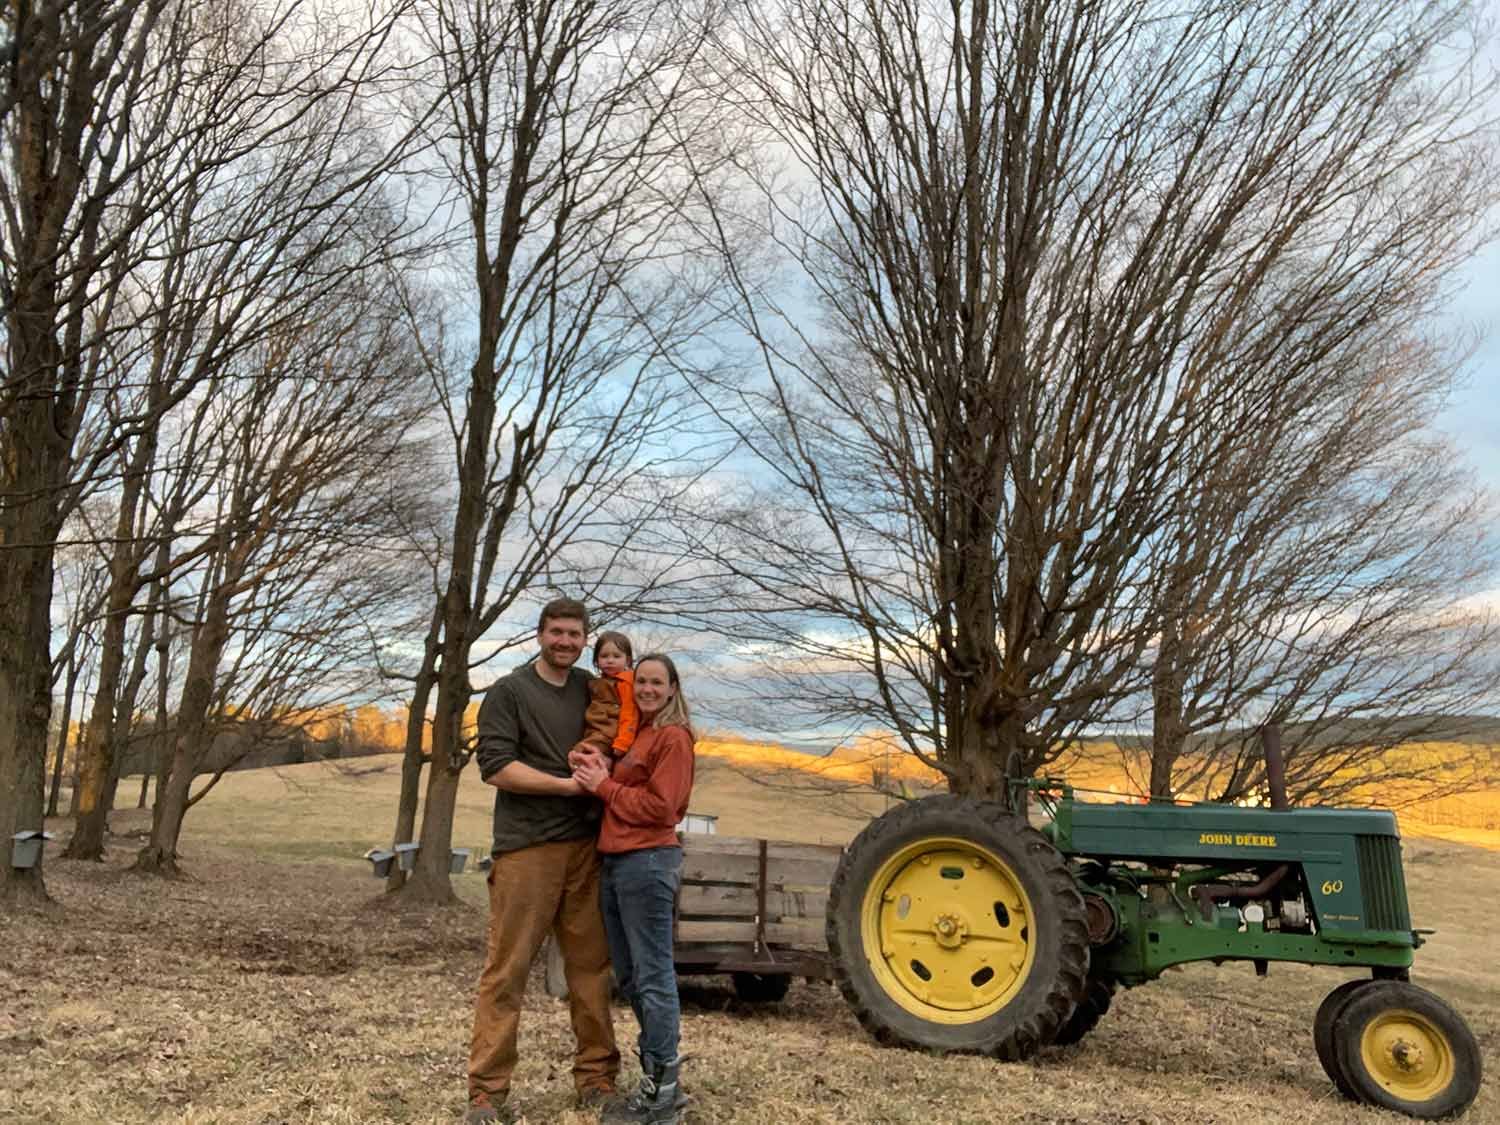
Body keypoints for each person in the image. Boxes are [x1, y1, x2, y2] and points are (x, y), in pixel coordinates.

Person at [465, 598, 620, 1125]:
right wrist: (566, 786)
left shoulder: (592, 689)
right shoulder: (509, 692)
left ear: (585, 639)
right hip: (527, 850)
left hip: (588, 851)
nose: (565, 642)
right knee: (507, 971)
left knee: (591, 972)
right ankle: (487, 1094)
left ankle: (596, 1081)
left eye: (575, 634)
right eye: (557, 632)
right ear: (539, 634)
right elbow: (496, 767)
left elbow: (619, 736)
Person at [571, 653, 696, 1125]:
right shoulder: (639, 734)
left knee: (653, 976)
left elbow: (663, 809)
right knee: (630, 975)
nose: (646, 689)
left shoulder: (673, 737)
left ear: (672, 688)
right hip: (619, 861)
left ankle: (662, 1093)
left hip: (648, 861)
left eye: (656, 682)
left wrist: (603, 786)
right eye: (641, 681)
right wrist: (595, 766)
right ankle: (658, 1079)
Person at [574, 630, 638, 760]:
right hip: (594, 731)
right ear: (596, 660)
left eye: (616, 656)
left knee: (581, 754)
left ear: (627, 660)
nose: (610, 660)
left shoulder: (625, 682)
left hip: (610, 733)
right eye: (604, 656)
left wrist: (623, 742)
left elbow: (630, 713)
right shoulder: (597, 682)